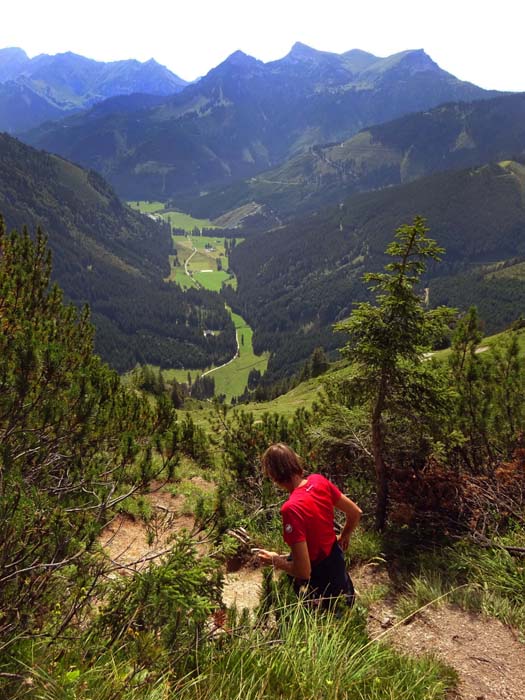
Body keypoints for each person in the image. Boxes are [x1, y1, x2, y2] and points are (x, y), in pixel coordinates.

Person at [255, 443, 362, 609]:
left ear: (273, 475)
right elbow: (355, 512)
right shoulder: (318, 481)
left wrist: (275, 560)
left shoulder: (291, 509)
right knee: (346, 614)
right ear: (295, 462)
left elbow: (304, 571)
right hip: (338, 569)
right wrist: (344, 535)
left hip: (321, 586)